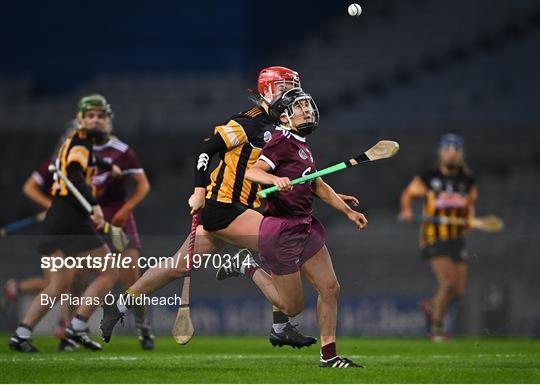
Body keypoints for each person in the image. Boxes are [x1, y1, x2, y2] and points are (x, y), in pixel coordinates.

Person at [101, 66, 358, 348]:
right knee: (280, 244)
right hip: (224, 206)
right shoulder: (247, 123)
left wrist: (332, 198)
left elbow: (301, 172)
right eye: (284, 87)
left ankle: (120, 306)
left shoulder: (283, 127)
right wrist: (199, 191)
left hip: (246, 210)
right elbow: (206, 150)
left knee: (177, 267)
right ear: (268, 90)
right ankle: (263, 297)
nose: (291, 93)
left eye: (293, 87)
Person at [233, 87, 368, 368]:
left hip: (304, 225)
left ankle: (329, 357)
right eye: (300, 107)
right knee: (292, 307)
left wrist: (347, 212)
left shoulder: (301, 144)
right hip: (281, 231)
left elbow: (317, 183)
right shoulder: (281, 140)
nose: (307, 110)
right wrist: (274, 181)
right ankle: (247, 265)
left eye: (308, 105)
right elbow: (252, 172)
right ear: (284, 117)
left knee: (330, 288)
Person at [9, 94, 119, 352]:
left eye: (99, 116)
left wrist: (106, 166)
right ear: (80, 119)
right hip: (71, 217)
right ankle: (77, 327)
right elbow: (76, 176)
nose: (95, 120)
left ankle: (21, 335)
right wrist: (94, 206)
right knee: (109, 271)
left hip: (56, 218)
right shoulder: (80, 143)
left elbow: (85, 162)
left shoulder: (77, 143)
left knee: (59, 282)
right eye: (90, 116)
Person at [399, 134, 477, 342]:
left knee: (458, 291)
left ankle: (431, 306)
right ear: (441, 153)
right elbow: (408, 194)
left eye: (455, 150)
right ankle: (436, 328)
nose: (451, 153)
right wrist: (407, 210)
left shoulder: (467, 180)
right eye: (448, 149)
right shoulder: (429, 176)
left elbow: (469, 206)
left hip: (457, 238)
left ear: (461, 154)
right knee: (448, 282)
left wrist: (469, 220)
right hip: (433, 236)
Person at [91, 116, 153, 350]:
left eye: (97, 116)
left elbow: (143, 185)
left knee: (130, 279)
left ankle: (142, 324)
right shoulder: (74, 151)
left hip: (118, 215)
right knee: (74, 274)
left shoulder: (121, 151)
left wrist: (125, 210)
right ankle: (69, 328)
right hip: (88, 218)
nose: (93, 122)